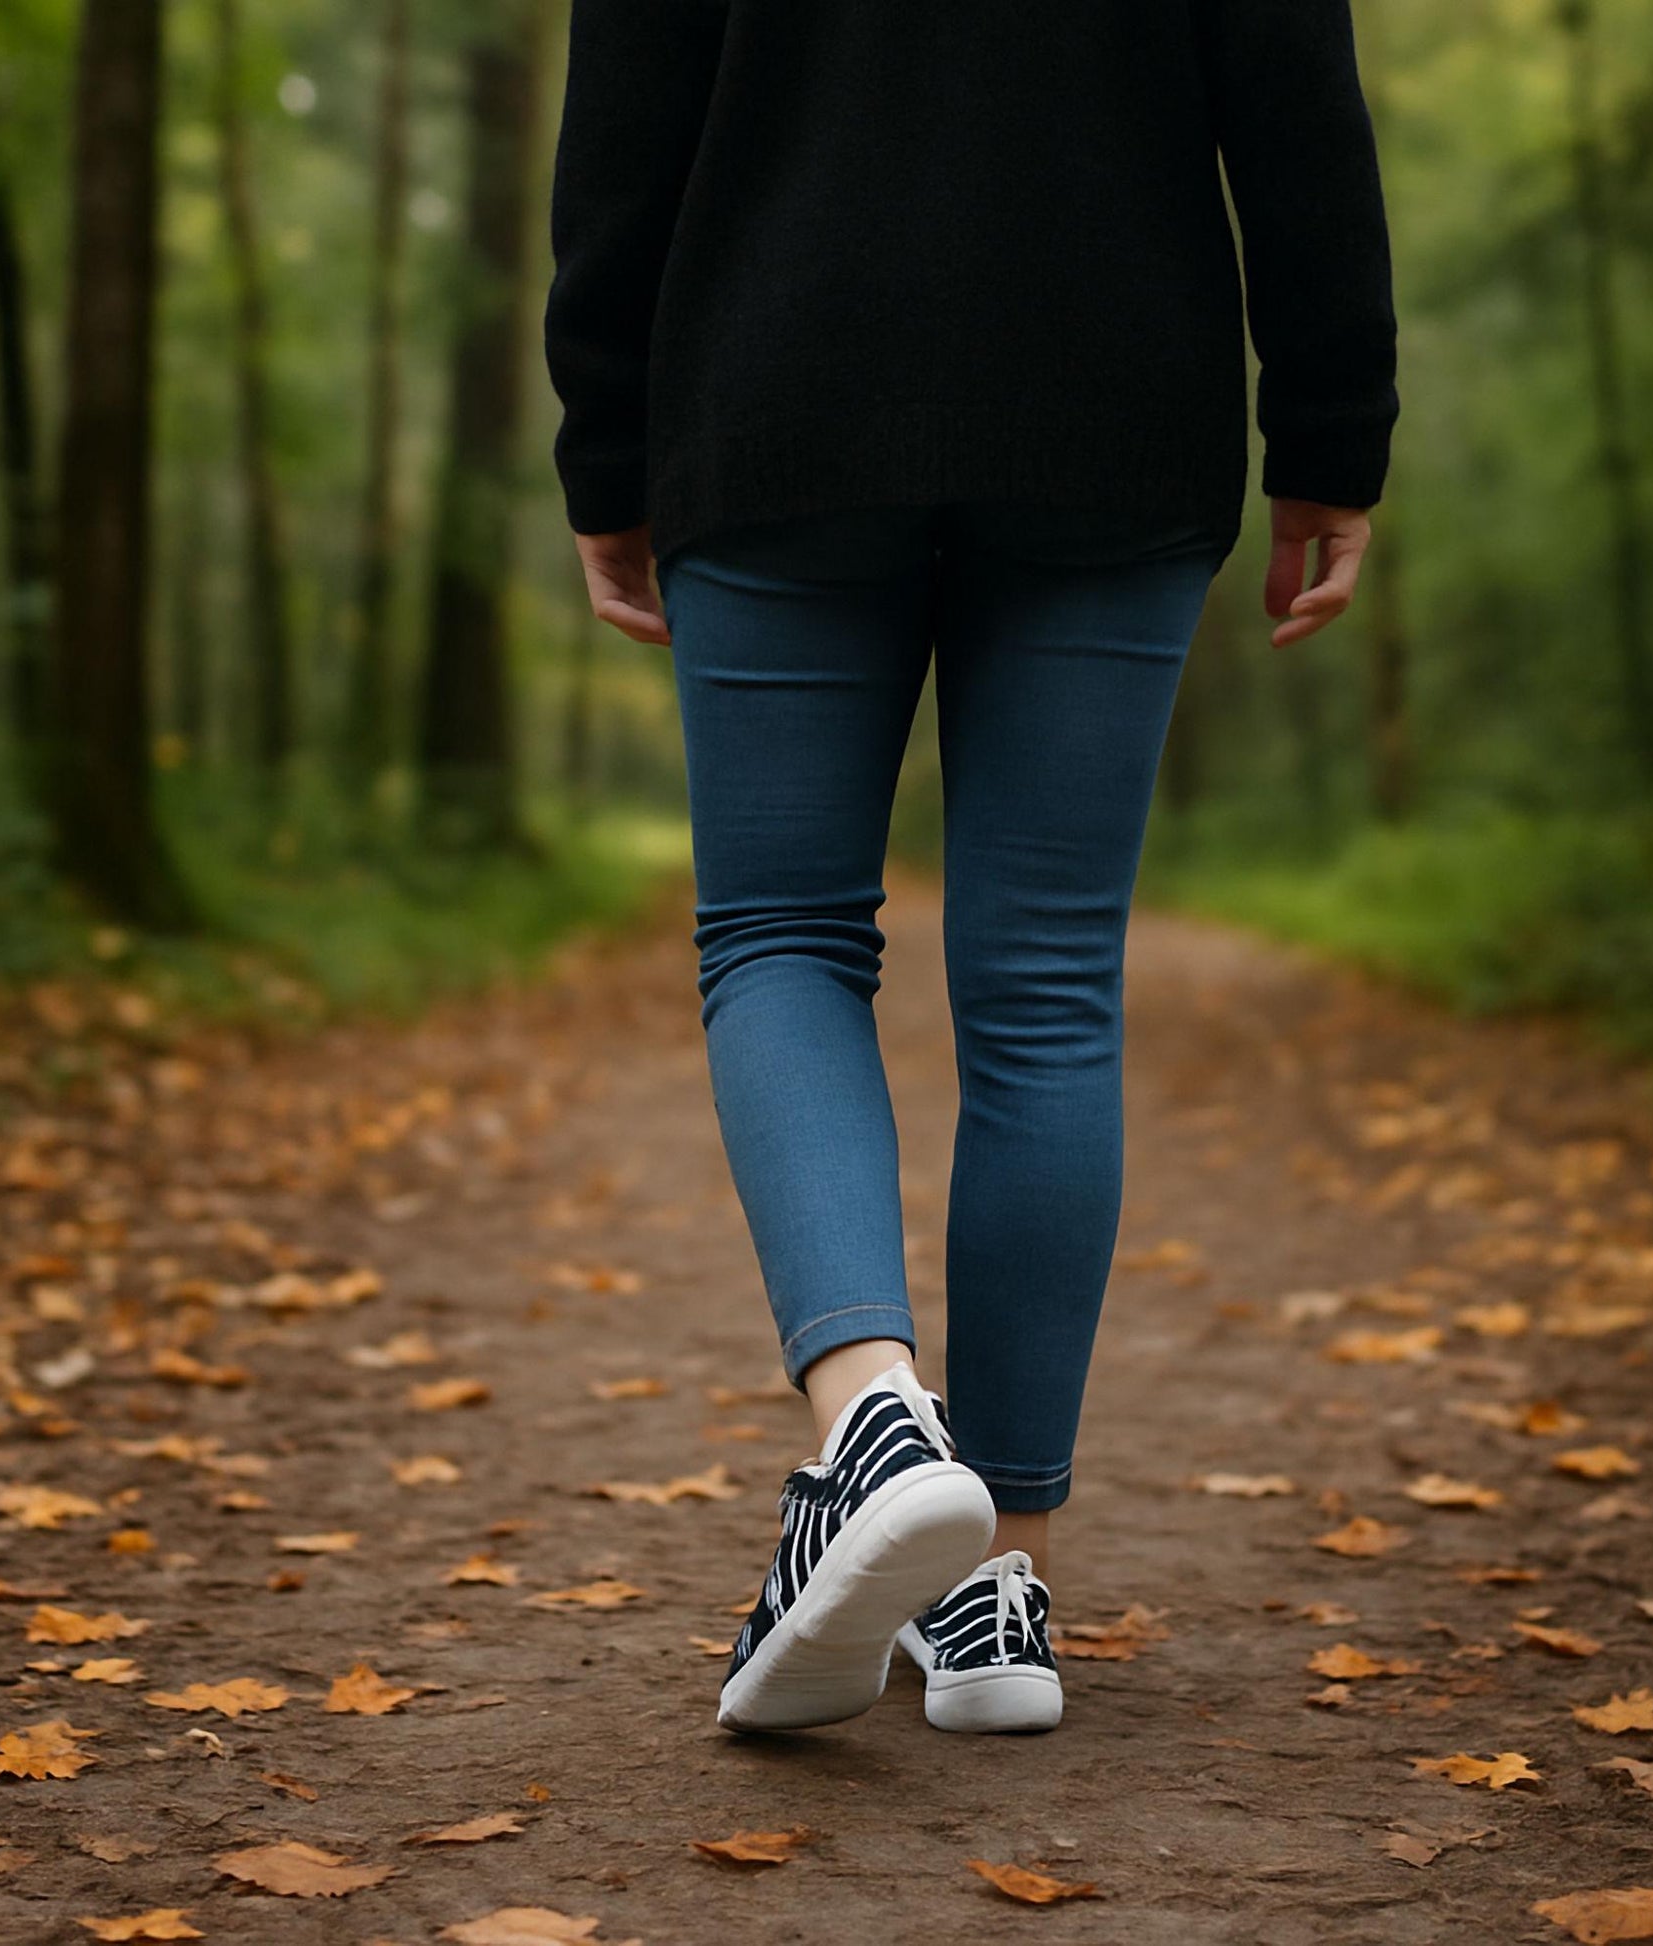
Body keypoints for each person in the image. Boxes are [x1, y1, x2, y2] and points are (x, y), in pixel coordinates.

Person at [543, 0, 1398, 1738]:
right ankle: (990, 1579)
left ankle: (867, 1412)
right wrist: (1330, 428)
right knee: (1046, 986)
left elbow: (625, 119)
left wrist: (607, 445)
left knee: (780, 931)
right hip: (1112, 402)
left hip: (781, 393)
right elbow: (1296, 97)